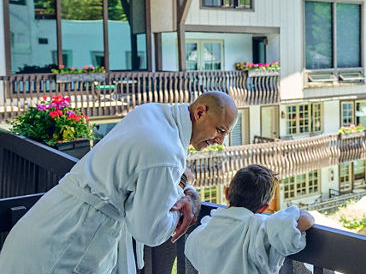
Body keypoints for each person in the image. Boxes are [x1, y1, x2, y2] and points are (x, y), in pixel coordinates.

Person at [0, 91, 238, 274]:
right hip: (70, 242)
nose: (220, 140)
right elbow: (151, 231)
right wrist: (190, 201)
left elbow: (139, 174)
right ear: (200, 113)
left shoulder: (152, 113)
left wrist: (180, 185)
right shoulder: (164, 153)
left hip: (45, 221)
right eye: (219, 130)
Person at [185, 164, 315, 274]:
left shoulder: (201, 233)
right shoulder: (261, 230)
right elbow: (306, 220)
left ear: (227, 193)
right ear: (263, 208)